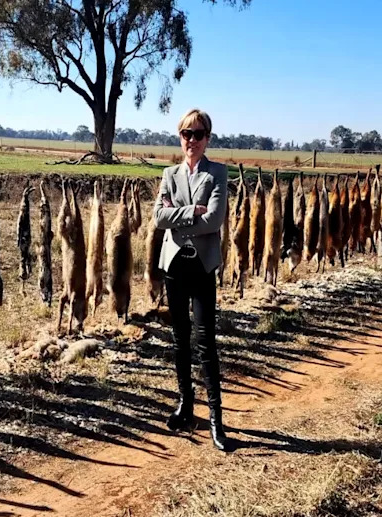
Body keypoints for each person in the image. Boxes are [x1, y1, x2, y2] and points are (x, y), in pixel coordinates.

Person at [153, 108, 229, 451]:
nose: (192, 140)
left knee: (205, 342)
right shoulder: (169, 173)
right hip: (174, 266)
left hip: (201, 268)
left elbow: (213, 220)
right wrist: (189, 211)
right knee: (180, 340)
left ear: (207, 138)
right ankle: (186, 406)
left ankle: (216, 420)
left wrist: (177, 215)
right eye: (187, 134)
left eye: (198, 134)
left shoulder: (217, 174)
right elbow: (158, 218)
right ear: (180, 137)